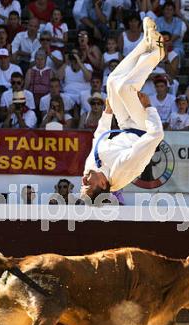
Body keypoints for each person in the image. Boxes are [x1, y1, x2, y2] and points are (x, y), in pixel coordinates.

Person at [81, 17, 165, 200]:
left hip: (126, 125)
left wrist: (107, 113)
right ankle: (156, 54)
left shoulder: (90, 169)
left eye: (82, 186)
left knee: (112, 82)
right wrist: (150, 108)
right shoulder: (122, 172)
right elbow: (156, 136)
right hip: (144, 129)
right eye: (88, 186)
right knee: (126, 88)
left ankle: (145, 43)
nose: (83, 181)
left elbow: (97, 139)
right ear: (103, 184)